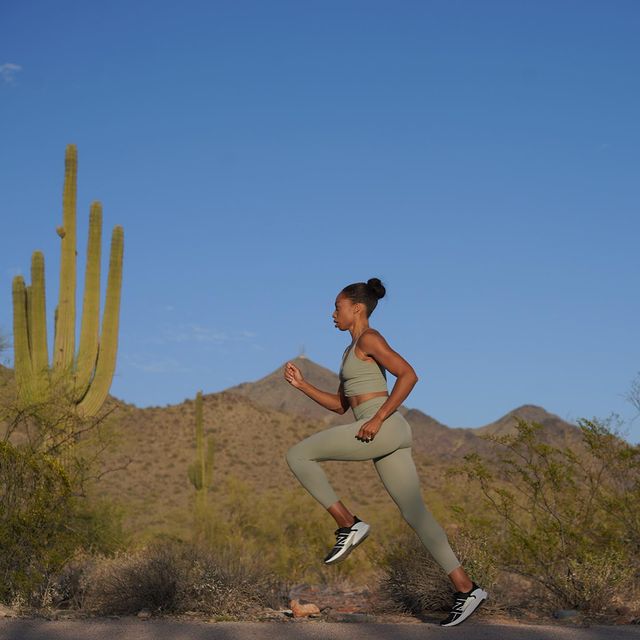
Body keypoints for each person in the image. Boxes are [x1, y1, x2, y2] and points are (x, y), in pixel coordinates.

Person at [283, 277, 488, 627]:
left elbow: (408, 375)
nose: (333, 313)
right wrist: (302, 385)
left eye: (337, 307)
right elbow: (339, 406)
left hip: (382, 427)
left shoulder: (370, 339)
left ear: (356, 308)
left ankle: (349, 523)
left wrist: (378, 418)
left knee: (298, 455)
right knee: (417, 515)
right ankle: (467, 589)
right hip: (380, 429)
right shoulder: (350, 351)